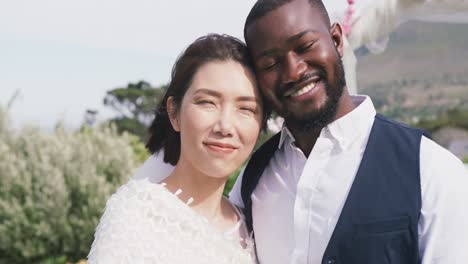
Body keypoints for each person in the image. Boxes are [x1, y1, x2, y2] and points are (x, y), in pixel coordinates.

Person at [228, 0, 468, 263]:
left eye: (305, 46)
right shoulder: (252, 180)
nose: (294, 72)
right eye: (270, 64)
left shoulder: (431, 170)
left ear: (337, 40)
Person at [87, 34, 268, 264]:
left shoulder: (254, 226)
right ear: (174, 113)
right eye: (207, 102)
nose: (225, 126)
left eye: (245, 108)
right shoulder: (136, 219)